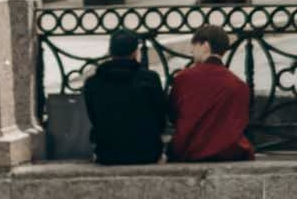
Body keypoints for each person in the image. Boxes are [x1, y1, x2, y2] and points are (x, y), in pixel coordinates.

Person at [169, 25, 253, 164]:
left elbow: (173, 114)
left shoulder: (183, 78)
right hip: (228, 152)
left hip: (190, 151)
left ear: (205, 46)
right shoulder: (239, 85)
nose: (192, 51)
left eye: (194, 46)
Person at [83, 29, 167, 167]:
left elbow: (94, 118)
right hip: (147, 153)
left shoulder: (93, 83)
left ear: (110, 52)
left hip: (107, 154)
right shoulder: (150, 79)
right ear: (135, 52)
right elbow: (160, 118)